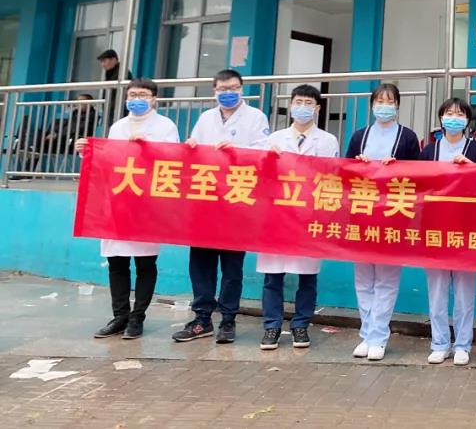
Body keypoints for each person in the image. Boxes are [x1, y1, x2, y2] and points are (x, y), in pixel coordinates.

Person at [173, 69, 270, 345]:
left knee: (231, 266)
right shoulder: (206, 118)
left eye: (233, 88)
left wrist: (236, 150)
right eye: (222, 89)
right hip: (206, 198)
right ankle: (202, 318)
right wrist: (191, 146)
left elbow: (264, 155)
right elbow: (195, 152)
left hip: (237, 199)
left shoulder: (255, 117)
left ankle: (228, 319)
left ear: (242, 89)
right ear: (214, 91)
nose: (228, 93)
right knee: (201, 263)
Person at [76, 78, 178, 340]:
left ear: (154, 99)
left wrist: (148, 148)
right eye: (132, 95)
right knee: (116, 261)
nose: (137, 99)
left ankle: (137, 317)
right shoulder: (118, 126)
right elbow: (108, 159)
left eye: (143, 94)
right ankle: (120, 315)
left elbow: (175, 161)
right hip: (119, 201)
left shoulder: (165, 126)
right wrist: (87, 152)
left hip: (148, 204)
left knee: (145, 262)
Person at [256, 84, 340, 352]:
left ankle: (301, 325)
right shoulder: (274, 139)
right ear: (291, 105)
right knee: (273, 275)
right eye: (298, 102)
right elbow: (260, 175)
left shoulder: (327, 141)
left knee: (307, 275)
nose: (303, 107)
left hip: (308, 215)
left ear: (317, 108)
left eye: (308, 103)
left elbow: (331, 177)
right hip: (277, 214)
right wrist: (268, 160)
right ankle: (271, 326)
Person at [344, 82, 421, 361]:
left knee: (387, 280)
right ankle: (366, 334)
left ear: (397, 105)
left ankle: (378, 336)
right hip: (363, 214)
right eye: (380, 101)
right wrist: (359, 164)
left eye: (390, 101)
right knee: (363, 280)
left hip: (392, 216)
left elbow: (419, 176)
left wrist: (397, 167)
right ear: (371, 105)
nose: (384, 106)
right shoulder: (359, 136)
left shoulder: (407, 137)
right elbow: (345, 174)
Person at [419, 97, 476, 366]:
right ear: (441, 118)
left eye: (460, 114)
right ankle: (439, 343)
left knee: (464, 294)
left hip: (465, 229)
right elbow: (418, 185)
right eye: (449, 113)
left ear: (467, 120)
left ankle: (462, 344)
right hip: (435, 229)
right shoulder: (429, 151)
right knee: (436, 292)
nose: (454, 118)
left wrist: (470, 169)